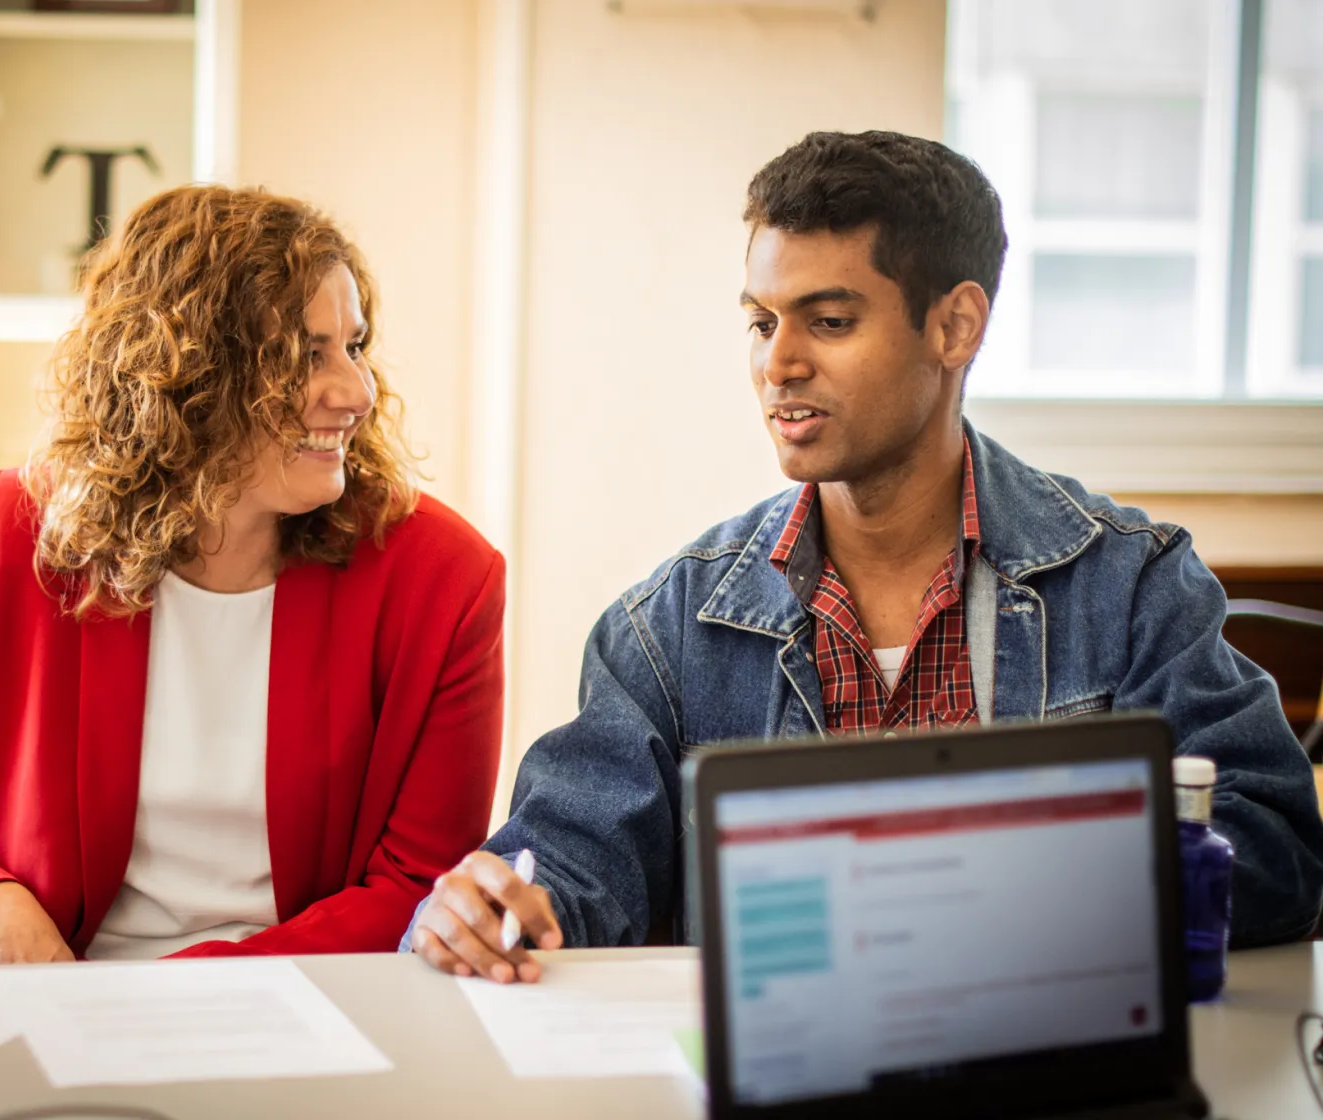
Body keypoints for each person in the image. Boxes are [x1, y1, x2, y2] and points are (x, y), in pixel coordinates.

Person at [406, 130, 1323, 984]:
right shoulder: (667, 628)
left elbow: (1276, 850)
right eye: (761, 322)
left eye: (830, 322)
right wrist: (490, 912)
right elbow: (566, 870)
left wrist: (1012, 883)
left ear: (955, 327)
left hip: (1047, 1059)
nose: (778, 365)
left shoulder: (1129, 583)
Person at [0, 185, 505, 964]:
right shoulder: (14, 533)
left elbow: (419, 885)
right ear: (187, 377)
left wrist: (167, 994)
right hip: (55, 999)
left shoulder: (445, 579)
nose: (356, 393)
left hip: (311, 1003)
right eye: (306, 356)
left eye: (355, 346)